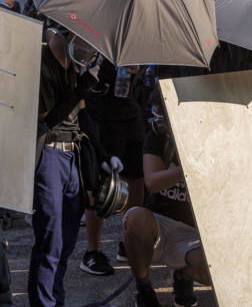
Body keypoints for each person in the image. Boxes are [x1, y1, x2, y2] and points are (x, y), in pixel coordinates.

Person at [28, 26, 123, 307]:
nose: (87, 47)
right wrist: (79, 90)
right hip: (49, 154)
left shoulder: (74, 66)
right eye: (82, 40)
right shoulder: (42, 63)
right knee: (50, 238)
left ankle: (56, 300)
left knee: (67, 239)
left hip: (74, 157)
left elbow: (81, 116)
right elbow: (46, 120)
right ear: (65, 34)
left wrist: (104, 155)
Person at [122, 88, 210, 307]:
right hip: (159, 223)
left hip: (193, 230)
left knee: (215, 272)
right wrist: (185, 166)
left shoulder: (209, 136)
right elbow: (152, 182)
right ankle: (144, 288)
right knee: (135, 217)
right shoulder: (157, 136)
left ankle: (183, 277)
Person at [81, 63, 147, 275]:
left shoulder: (134, 42)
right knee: (102, 182)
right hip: (102, 113)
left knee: (137, 178)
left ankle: (129, 242)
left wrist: (140, 67)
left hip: (131, 110)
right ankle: (92, 251)